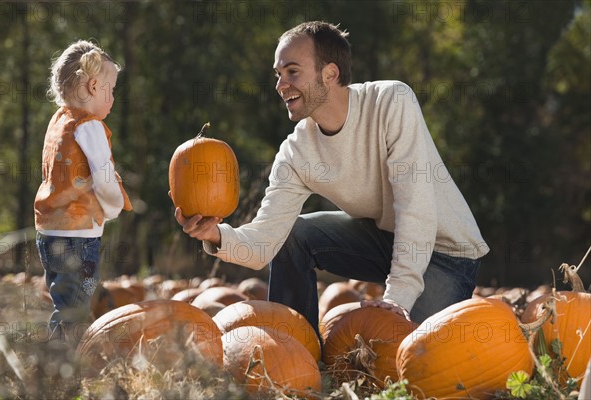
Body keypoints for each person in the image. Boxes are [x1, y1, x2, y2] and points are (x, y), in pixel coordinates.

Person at [174, 21, 489, 336]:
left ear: (331, 73)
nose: (280, 85)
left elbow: (415, 205)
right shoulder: (297, 151)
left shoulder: (391, 102)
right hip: (386, 241)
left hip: (447, 252)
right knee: (293, 235)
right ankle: (296, 348)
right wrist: (216, 235)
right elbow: (264, 244)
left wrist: (398, 297)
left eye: (292, 71)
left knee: (410, 358)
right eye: (278, 74)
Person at [34, 40, 132, 345]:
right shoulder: (89, 127)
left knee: (63, 301)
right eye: (111, 89)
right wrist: (114, 207)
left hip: (50, 231)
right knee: (75, 306)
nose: (113, 97)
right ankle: (61, 367)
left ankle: (58, 365)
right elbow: (104, 177)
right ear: (93, 86)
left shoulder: (59, 120)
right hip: (78, 234)